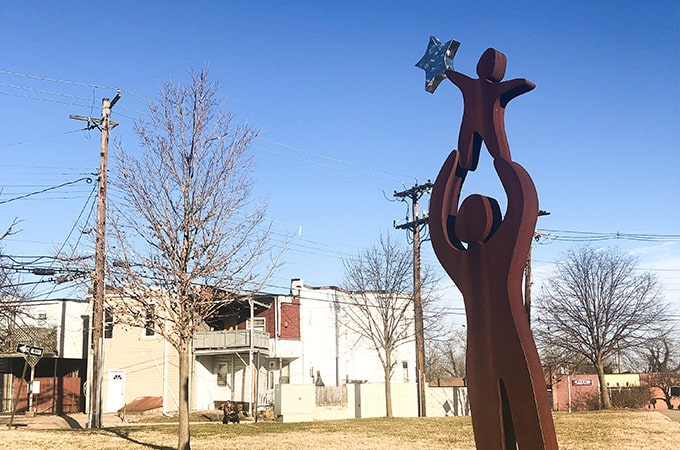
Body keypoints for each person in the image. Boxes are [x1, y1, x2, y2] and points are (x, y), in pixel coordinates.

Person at [445, 48, 535, 171]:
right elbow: (521, 83)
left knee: (495, 158)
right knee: (491, 158)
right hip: (485, 127)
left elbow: (453, 75)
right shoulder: (477, 85)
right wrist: (523, 83)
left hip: (476, 126)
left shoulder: (470, 83)